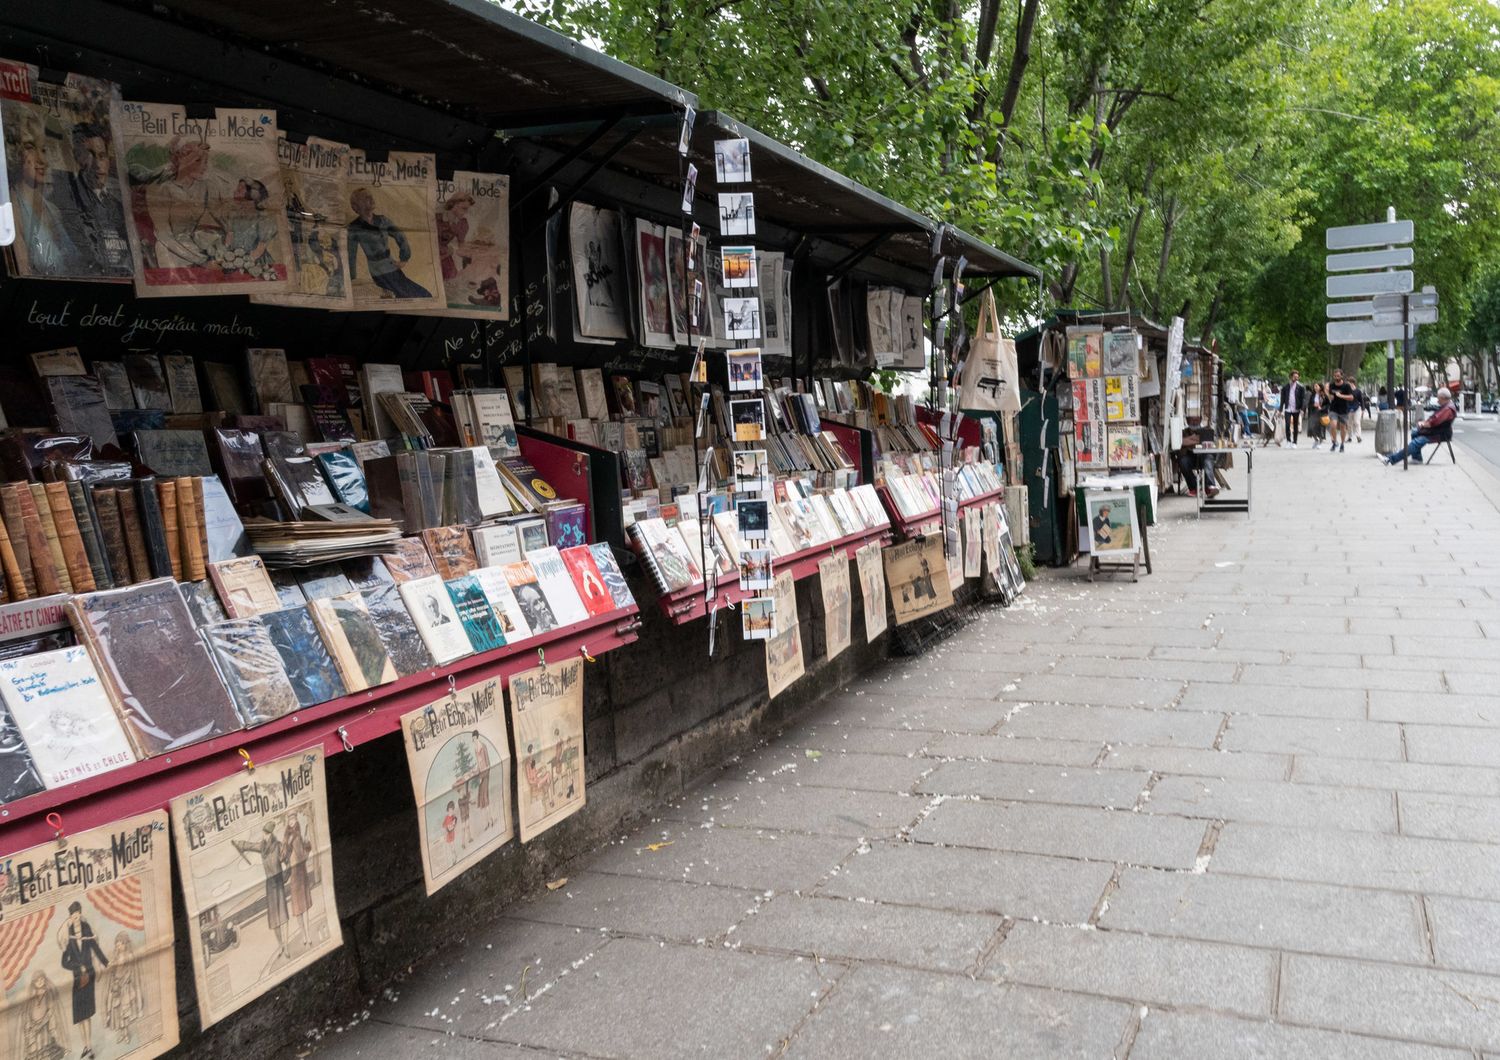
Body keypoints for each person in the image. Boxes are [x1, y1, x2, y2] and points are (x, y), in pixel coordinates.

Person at [347, 186, 432, 299]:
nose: (371, 198)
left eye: (371, 196)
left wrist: (404, 258)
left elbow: (400, 235)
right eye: (366, 198)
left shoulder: (383, 220)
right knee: (416, 296)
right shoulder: (354, 227)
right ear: (356, 206)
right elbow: (350, 255)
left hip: (392, 267)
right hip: (379, 272)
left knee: (424, 295)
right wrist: (351, 279)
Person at [57, 901, 107, 1060]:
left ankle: (89, 1047)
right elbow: (64, 962)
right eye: (73, 915)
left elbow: (95, 948)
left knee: (87, 1014)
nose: (76, 917)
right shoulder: (68, 936)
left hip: (89, 978)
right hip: (78, 980)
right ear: (70, 917)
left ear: (80, 913)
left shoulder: (87, 930)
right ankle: (86, 1046)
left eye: (77, 914)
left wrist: (106, 962)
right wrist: (78, 966)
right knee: (80, 1016)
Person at [1383, 387, 1456, 465]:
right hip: (1437, 431)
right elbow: (1436, 419)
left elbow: (1434, 422)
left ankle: (1391, 459)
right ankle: (1417, 458)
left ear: (1443, 398)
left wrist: (1423, 424)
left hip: (1439, 434)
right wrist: (1424, 423)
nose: (1438, 401)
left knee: (1416, 442)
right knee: (1415, 432)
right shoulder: (1447, 406)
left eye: (1439, 398)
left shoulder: (1448, 409)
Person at [1175, 427, 1219, 497]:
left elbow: (1212, 441)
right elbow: (1180, 442)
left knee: (1207, 461)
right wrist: (1198, 439)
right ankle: (1193, 487)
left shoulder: (1207, 429)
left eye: (1196, 419)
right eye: (1191, 419)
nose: (1194, 421)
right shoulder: (1183, 430)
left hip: (1205, 454)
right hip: (1190, 456)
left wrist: (1190, 440)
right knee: (1183, 462)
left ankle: (1210, 487)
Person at [1327, 368, 1356, 453]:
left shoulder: (1346, 386)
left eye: (1338, 376)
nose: (1336, 377)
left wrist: (1341, 396)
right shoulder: (1331, 385)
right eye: (1335, 376)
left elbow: (1351, 397)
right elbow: (1331, 396)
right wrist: (1329, 396)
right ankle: (1335, 442)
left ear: (1342, 376)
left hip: (1343, 409)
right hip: (1334, 408)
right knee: (1333, 426)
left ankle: (1342, 444)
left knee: (1343, 428)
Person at [1280, 371, 1306, 447]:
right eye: (1294, 376)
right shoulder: (1285, 387)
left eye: (1297, 377)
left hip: (1296, 409)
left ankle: (1294, 442)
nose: (1296, 378)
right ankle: (1288, 441)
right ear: (1291, 377)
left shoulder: (1301, 387)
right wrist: (1280, 409)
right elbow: (1282, 399)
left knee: (1295, 426)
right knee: (1287, 425)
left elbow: (1303, 399)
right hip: (1288, 408)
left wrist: (1302, 409)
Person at [1308, 383, 1329, 448]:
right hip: (1314, 412)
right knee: (1311, 427)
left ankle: (1320, 442)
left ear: (1320, 387)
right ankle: (1316, 440)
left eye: (1316, 386)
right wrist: (1313, 405)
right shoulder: (1313, 395)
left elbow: (1328, 404)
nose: (1315, 387)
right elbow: (1309, 404)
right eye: (1314, 386)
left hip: (1322, 413)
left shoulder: (1324, 395)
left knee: (1321, 428)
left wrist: (1322, 408)